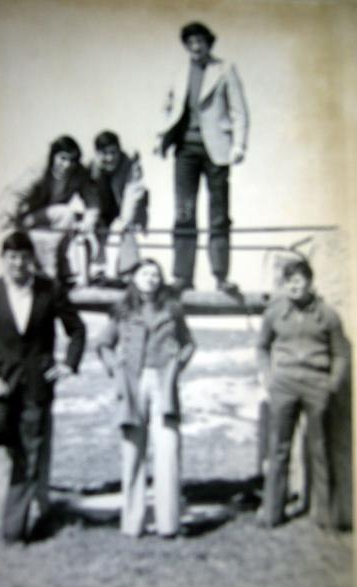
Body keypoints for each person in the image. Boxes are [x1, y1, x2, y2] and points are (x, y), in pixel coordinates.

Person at [0, 231, 86, 543]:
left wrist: (68, 365)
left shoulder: (50, 289)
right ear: (3, 259)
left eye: (24, 257)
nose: (18, 264)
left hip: (37, 385)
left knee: (29, 453)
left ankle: (14, 530)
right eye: (12, 257)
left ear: (32, 259)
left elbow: (76, 329)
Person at [96, 258, 195, 538]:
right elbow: (103, 344)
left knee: (168, 450)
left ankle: (169, 524)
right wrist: (116, 368)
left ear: (160, 280)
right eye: (144, 274)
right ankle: (132, 523)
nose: (150, 279)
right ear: (134, 279)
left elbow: (189, 343)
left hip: (163, 384)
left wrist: (176, 366)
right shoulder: (123, 310)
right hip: (133, 384)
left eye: (155, 274)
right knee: (132, 452)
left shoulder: (172, 308)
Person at [155, 21, 249, 293]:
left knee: (218, 214)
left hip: (216, 150)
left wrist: (239, 145)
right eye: (191, 43)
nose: (196, 47)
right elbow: (168, 106)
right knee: (184, 212)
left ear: (209, 43)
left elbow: (239, 111)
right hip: (185, 151)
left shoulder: (225, 69)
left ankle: (221, 275)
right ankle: (182, 276)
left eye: (200, 42)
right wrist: (161, 136)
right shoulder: (179, 72)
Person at [257, 259, 349, 528]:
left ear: (310, 282)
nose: (293, 286)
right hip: (283, 385)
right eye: (288, 281)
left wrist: (332, 384)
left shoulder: (328, 315)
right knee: (278, 448)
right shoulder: (274, 313)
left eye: (298, 280)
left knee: (319, 448)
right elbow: (262, 347)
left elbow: (341, 354)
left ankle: (325, 515)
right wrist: (268, 377)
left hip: (316, 386)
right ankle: (273, 513)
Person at [0, 135, 100, 285]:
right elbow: (16, 195)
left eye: (72, 160)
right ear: (53, 156)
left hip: (51, 216)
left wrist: (89, 222)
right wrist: (10, 221)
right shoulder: (39, 169)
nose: (67, 165)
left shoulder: (79, 173)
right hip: (27, 216)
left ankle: (60, 270)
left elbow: (92, 201)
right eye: (63, 158)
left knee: (67, 215)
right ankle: (42, 273)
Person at [89, 130, 148, 283]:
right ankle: (98, 272)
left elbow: (133, 194)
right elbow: (88, 198)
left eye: (113, 152)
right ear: (97, 154)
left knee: (122, 235)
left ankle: (123, 273)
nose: (110, 158)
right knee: (95, 238)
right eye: (105, 153)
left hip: (125, 212)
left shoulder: (130, 165)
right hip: (102, 214)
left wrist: (124, 220)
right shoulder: (91, 167)